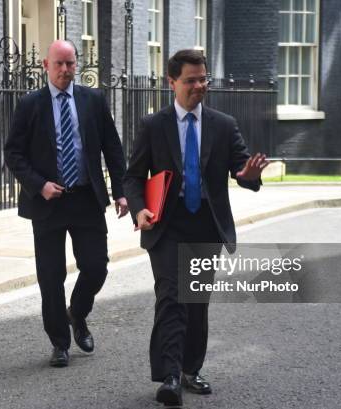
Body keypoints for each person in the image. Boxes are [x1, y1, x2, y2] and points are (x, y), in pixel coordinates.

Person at [123, 49, 268, 406]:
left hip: (206, 223)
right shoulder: (153, 126)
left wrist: (249, 176)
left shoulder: (223, 124)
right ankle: (170, 376)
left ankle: (190, 369)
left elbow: (241, 168)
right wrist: (139, 210)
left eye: (203, 79)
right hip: (166, 224)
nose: (199, 86)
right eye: (191, 80)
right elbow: (132, 177)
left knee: (196, 301)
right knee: (172, 297)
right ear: (172, 82)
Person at [4, 40, 128, 368]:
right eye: (58, 64)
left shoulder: (93, 101)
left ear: (77, 64)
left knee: (96, 266)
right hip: (48, 203)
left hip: (86, 197)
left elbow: (112, 149)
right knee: (51, 275)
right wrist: (39, 185)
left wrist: (121, 191)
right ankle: (59, 342)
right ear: (46, 65)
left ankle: (79, 313)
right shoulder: (30, 104)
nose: (65, 70)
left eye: (70, 64)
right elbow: (13, 153)